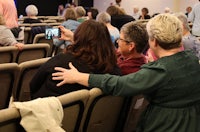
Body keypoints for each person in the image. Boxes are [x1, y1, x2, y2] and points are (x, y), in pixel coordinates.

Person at [52, 14, 200, 132]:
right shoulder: (192, 59)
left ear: (153, 42)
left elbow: (118, 84)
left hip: (165, 125)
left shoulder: (159, 71)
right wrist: (75, 38)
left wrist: (79, 77)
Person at [30, 20, 121, 99]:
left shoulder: (61, 61)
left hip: (50, 112)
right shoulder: (112, 69)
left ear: (78, 36)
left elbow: (33, 84)